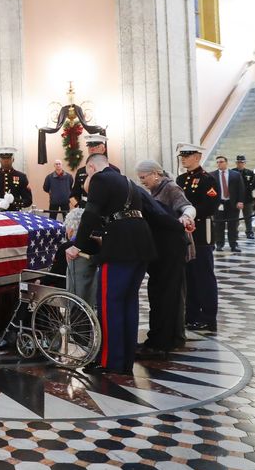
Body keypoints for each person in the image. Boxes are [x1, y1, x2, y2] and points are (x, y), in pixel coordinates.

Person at [66, 153, 155, 375]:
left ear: (91, 168)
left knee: (108, 304)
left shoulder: (100, 179)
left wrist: (78, 244)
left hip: (120, 247)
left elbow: (90, 214)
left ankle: (110, 361)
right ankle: (125, 358)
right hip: (141, 243)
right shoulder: (128, 181)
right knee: (128, 302)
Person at [136, 159, 195, 357]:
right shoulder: (153, 191)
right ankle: (167, 337)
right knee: (166, 294)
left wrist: (186, 217)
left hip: (173, 249)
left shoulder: (170, 188)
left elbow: (187, 206)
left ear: (155, 173)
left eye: (144, 177)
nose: (142, 181)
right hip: (162, 250)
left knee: (173, 295)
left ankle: (171, 339)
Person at [176, 143, 220, 332]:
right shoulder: (181, 179)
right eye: (182, 156)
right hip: (184, 234)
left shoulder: (207, 179)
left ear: (198, 157)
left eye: (188, 155)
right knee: (189, 276)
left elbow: (210, 206)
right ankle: (191, 314)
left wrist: (189, 216)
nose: (184, 158)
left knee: (204, 275)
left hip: (201, 232)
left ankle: (209, 317)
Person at [71, 134, 119, 207]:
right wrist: (78, 207)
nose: (92, 149)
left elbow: (118, 194)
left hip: (106, 208)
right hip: (85, 208)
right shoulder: (81, 171)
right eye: (90, 146)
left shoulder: (114, 170)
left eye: (96, 146)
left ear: (103, 149)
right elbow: (73, 195)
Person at [210, 156, 244, 252]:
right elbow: (209, 191)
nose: (219, 164)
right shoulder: (212, 175)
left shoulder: (235, 174)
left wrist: (240, 201)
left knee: (233, 225)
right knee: (219, 225)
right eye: (217, 162)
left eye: (221, 161)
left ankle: (233, 244)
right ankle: (219, 244)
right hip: (219, 203)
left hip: (232, 203)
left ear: (226, 162)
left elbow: (241, 189)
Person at [0, 147, 32, 211]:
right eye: (3, 158)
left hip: (15, 213)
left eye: (8, 158)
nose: (6, 160)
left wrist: (14, 201)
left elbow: (28, 201)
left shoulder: (21, 177)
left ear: (13, 159)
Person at [235, 155, 255, 239]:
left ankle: (249, 232)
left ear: (245, 163)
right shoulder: (232, 172)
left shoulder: (250, 173)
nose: (240, 164)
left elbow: (253, 184)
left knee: (248, 216)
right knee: (234, 217)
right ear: (236, 163)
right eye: (239, 162)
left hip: (247, 198)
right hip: (235, 198)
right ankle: (234, 232)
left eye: (242, 162)